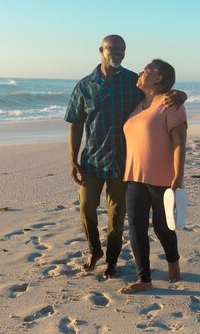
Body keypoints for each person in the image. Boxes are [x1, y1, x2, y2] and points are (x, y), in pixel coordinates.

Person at [65, 35, 186, 278]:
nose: (118, 52)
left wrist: (180, 94)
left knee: (117, 215)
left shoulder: (132, 81)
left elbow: (159, 93)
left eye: (122, 48)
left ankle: (111, 260)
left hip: (123, 163)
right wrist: (72, 158)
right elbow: (76, 124)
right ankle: (94, 251)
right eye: (113, 48)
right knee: (86, 207)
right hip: (92, 160)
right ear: (101, 50)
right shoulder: (85, 85)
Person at [119, 59, 187, 294]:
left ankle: (173, 263)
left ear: (158, 78)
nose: (140, 73)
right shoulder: (138, 104)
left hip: (162, 179)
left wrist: (178, 177)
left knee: (163, 228)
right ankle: (144, 279)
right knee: (136, 229)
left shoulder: (171, 105)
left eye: (146, 71)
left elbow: (180, 143)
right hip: (134, 176)